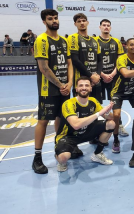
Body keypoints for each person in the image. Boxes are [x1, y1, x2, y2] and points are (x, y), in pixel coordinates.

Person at [32, 9, 73, 174]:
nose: (54, 21)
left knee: (61, 119)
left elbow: (69, 63)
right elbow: (44, 68)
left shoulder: (64, 41)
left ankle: (60, 147)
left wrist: (70, 83)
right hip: (48, 89)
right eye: (50, 19)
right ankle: (37, 157)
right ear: (44, 21)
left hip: (65, 88)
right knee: (43, 120)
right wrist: (61, 85)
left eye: (56, 18)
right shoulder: (41, 40)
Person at [55, 76, 115, 172]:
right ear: (77, 88)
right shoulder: (68, 103)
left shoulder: (93, 101)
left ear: (90, 88)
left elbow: (110, 117)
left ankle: (98, 154)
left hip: (87, 132)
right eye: (81, 85)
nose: (84, 88)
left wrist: (108, 111)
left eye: (87, 85)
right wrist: (99, 113)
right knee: (63, 158)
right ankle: (59, 154)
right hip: (69, 136)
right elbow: (76, 124)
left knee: (111, 124)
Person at [94, 19, 127, 139]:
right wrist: (102, 74)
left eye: (108, 25)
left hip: (114, 77)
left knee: (115, 103)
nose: (106, 27)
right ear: (100, 27)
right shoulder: (95, 41)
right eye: (104, 25)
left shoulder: (116, 42)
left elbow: (120, 60)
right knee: (97, 103)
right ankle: (99, 127)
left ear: (110, 28)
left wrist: (112, 74)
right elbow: (93, 61)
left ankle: (120, 125)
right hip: (99, 77)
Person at [68, 13, 102, 103]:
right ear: (75, 24)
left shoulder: (95, 40)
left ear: (87, 22)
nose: (82, 23)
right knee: (81, 107)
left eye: (84, 21)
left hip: (95, 81)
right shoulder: (73, 38)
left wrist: (97, 76)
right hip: (80, 80)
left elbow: (100, 60)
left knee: (96, 107)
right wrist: (91, 76)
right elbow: (75, 60)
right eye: (79, 21)